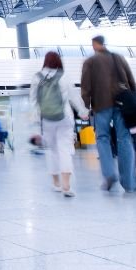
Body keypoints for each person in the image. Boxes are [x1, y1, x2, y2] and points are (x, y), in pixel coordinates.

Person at [81, 35, 136, 192]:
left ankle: (109, 173)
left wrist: (86, 106)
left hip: (101, 105)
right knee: (124, 139)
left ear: (94, 45)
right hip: (122, 104)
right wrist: (135, 101)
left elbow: (85, 87)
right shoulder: (118, 58)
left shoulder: (90, 62)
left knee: (102, 138)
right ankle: (130, 184)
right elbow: (131, 81)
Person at [31, 51, 90, 197]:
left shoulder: (37, 77)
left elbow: (33, 101)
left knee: (52, 151)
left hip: (46, 119)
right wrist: (83, 111)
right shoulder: (64, 76)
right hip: (64, 118)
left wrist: (36, 121)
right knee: (64, 149)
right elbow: (74, 96)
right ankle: (66, 185)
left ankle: (56, 183)